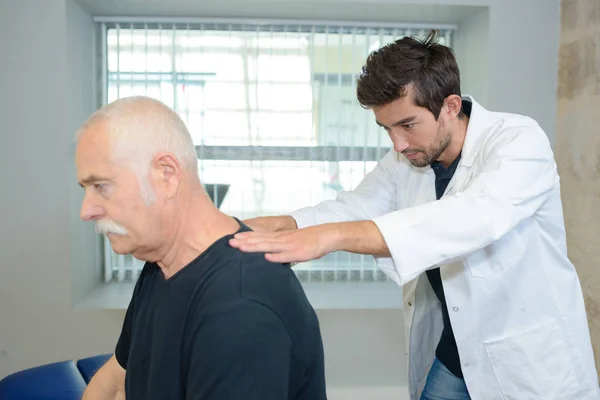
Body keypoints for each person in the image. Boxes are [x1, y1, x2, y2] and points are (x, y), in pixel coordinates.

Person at [229, 31, 600, 400]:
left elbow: (474, 217)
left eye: (407, 125)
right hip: (454, 357)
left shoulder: (519, 141)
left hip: (528, 363)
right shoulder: (406, 160)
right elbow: (351, 208)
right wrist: (273, 226)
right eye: (387, 129)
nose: (398, 144)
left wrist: (330, 238)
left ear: (450, 106)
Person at [75, 96, 327, 400]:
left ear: (166, 175)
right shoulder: (162, 264)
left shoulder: (241, 308)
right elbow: (115, 382)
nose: (86, 210)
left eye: (101, 186)